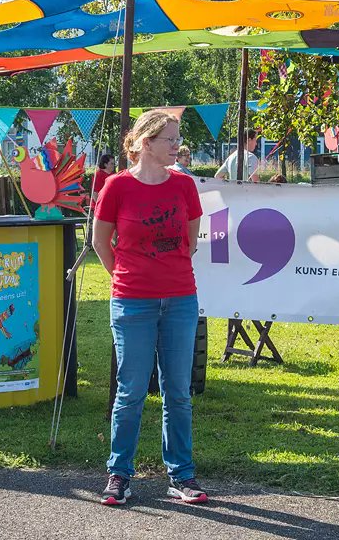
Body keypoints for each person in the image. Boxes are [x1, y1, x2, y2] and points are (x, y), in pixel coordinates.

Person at [92, 109, 207, 506]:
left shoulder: (185, 186)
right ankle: (119, 474)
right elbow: (100, 243)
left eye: (178, 139)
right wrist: (126, 277)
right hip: (131, 301)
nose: (178, 146)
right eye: (170, 139)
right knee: (131, 392)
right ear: (145, 143)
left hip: (180, 299)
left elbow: (190, 242)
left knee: (178, 391)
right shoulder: (117, 187)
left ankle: (182, 476)